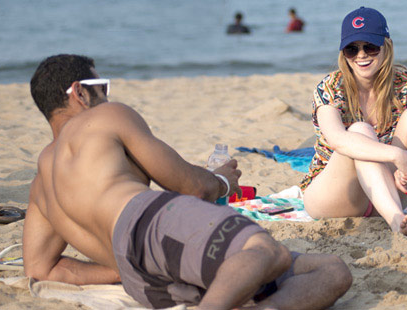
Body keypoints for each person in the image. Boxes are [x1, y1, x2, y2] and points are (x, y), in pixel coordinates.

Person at [23, 54, 352, 310]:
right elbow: (194, 187)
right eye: (103, 87)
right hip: (146, 221)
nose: (108, 97)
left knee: (333, 271)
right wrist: (223, 180)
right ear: (79, 92)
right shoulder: (104, 118)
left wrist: (115, 270)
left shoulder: (41, 185)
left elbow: (41, 270)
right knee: (265, 250)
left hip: (143, 277)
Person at [300, 7, 407, 235]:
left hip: (389, 191)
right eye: (352, 49)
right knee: (360, 131)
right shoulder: (331, 87)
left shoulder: (403, 81)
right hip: (336, 197)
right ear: (344, 54)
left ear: (386, 46)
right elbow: (338, 140)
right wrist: (396, 155)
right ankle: (396, 222)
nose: (361, 55)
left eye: (370, 47)